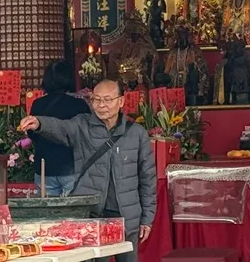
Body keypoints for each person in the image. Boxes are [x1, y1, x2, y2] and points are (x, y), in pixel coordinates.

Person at [19, 80, 156, 262]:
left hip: (126, 216)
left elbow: (147, 178)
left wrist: (147, 219)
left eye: (107, 100)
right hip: (93, 215)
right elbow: (61, 127)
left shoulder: (136, 133)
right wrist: (39, 123)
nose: (101, 105)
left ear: (121, 101)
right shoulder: (82, 125)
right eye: (96, 99)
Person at [29, 60, 89, 195]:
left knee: (47, 207)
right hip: (71, 166)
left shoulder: (38, 104)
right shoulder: (78, 104)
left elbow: (32, 134)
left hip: (45, 166)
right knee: (74, 207)